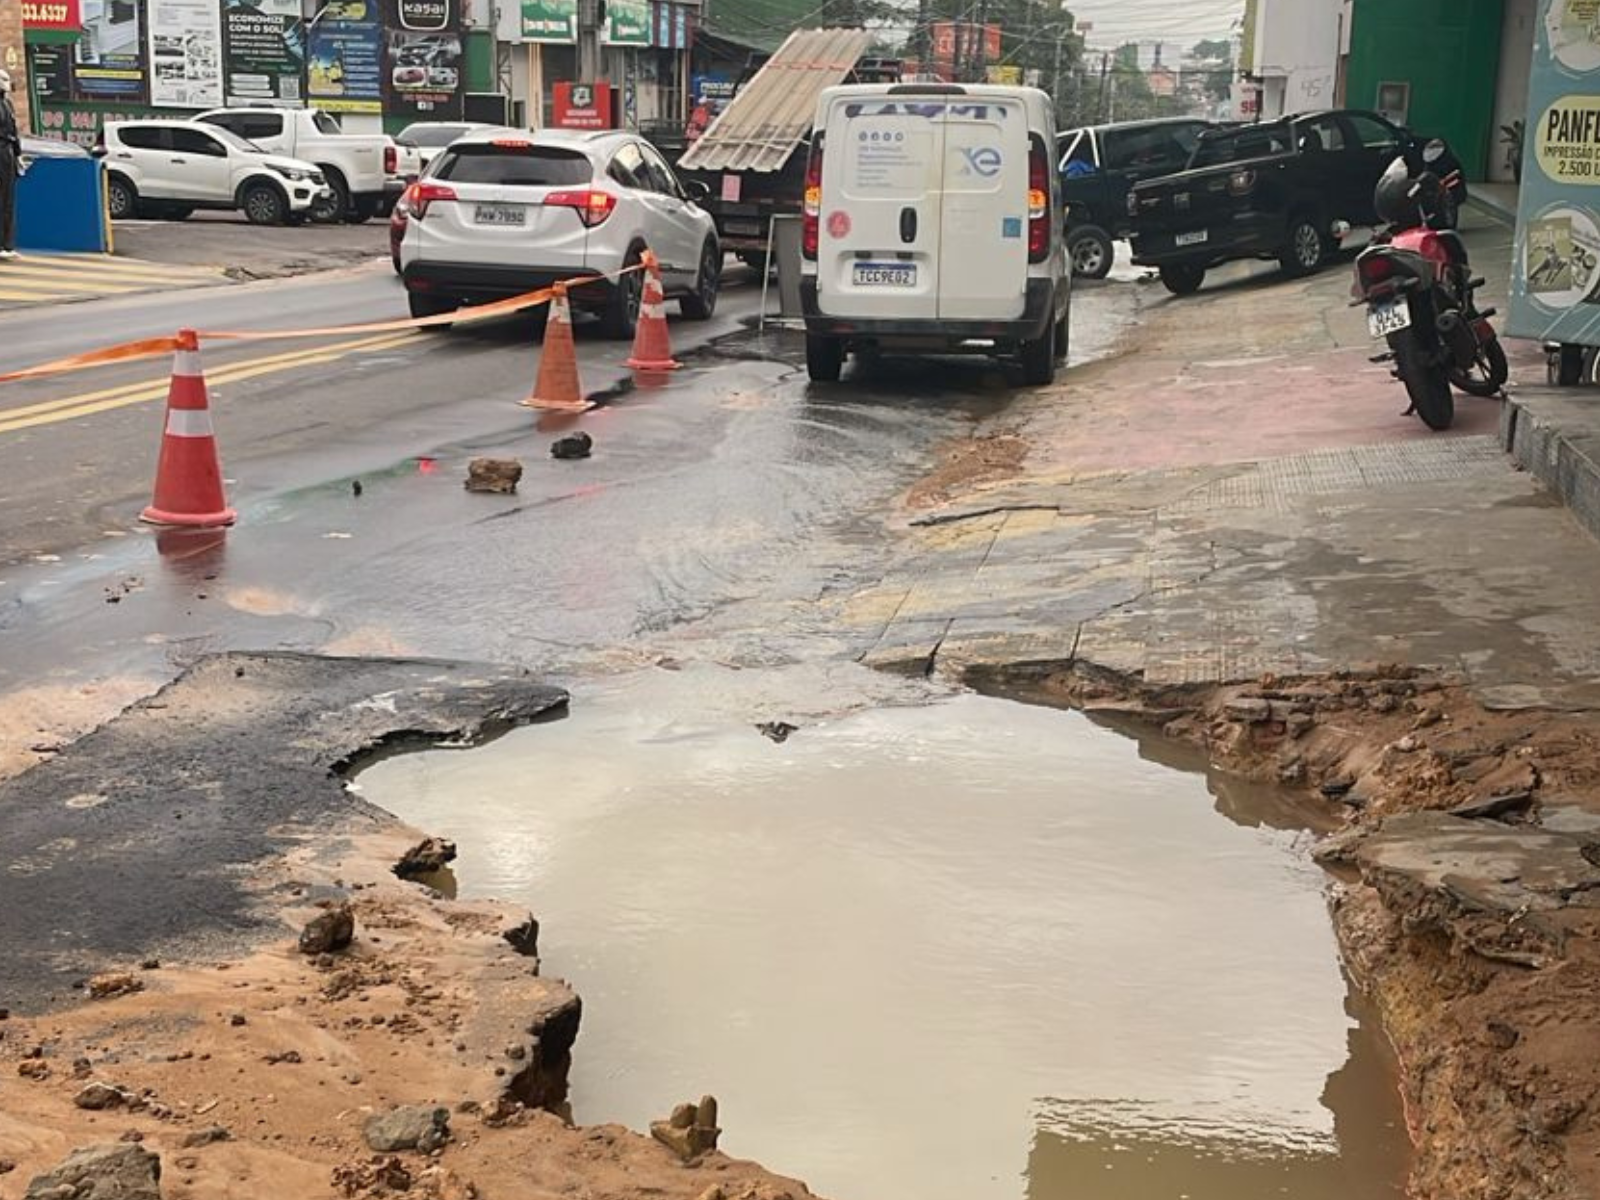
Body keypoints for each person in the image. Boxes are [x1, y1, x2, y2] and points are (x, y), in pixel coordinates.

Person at [0, 67, 20, 261]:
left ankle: (7, 244)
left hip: (7, 152)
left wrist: (18, 154)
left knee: (8, 200)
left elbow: (14, 131)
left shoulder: (8, 104)